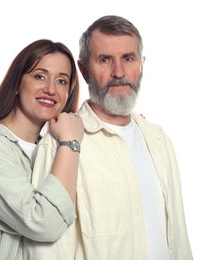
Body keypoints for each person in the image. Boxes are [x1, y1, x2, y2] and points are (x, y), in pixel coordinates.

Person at [24, 16, 193, 259]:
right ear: (84, 70)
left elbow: (180, 240)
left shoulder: (160, 141)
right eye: (105, 60)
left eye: (128, 58)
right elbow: (46, 252)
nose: (119, 72)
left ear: (141, 64)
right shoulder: (60, 146)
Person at [0, 39, 84, 260]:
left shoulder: (50, 151)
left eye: (61, 81)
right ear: (18, 83)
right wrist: (70, 142)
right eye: (39, 76)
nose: (50, 89)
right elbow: (43, 222)